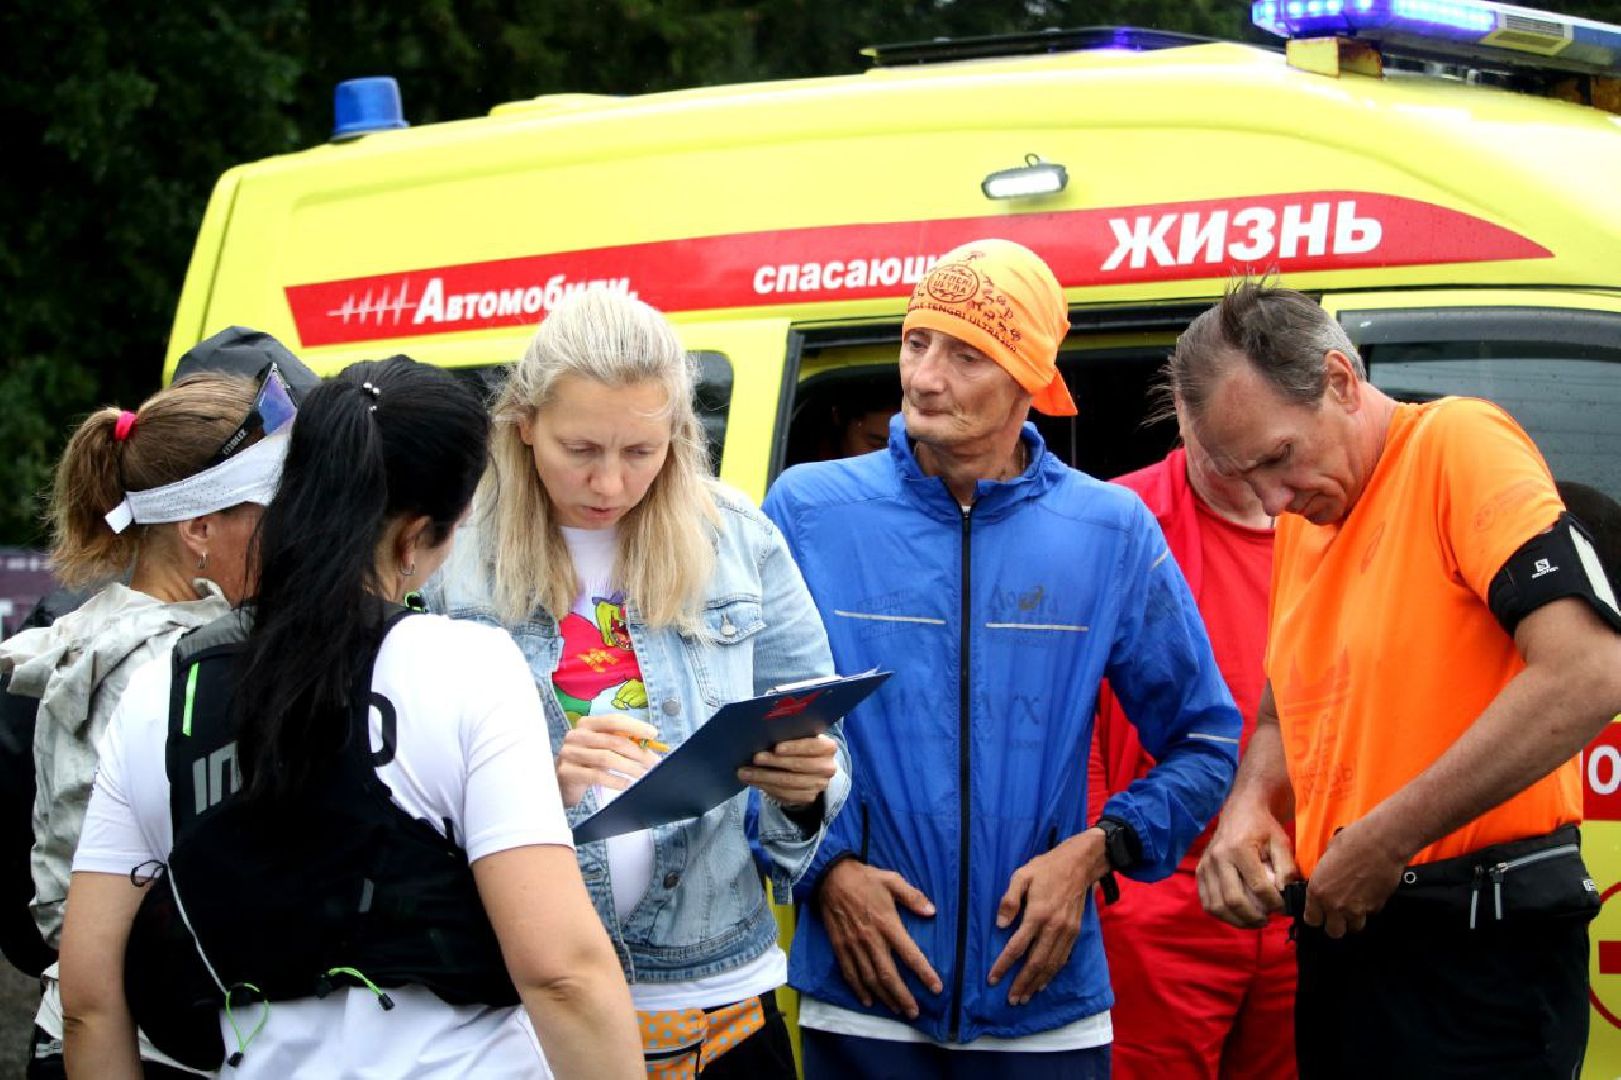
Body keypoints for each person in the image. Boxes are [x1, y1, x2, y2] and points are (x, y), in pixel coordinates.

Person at [55, 356, 641, 1079]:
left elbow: (88, 1001)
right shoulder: (466, 666)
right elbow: (562, 974)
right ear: (415, 536)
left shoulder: (162, 693)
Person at [762, 237, 1242, 1078]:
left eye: (966, 355)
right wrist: (825, 873)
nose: (924, 378)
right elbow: (734, 728)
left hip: (1042, 1004)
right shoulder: (808, 509)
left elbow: (1205, 742)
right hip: (866, 993)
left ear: (1029, 377)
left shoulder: (1107, 529)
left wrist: (1097, 850)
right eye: (916, 342)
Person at [1183, 283, 1621, 1077]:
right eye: (1246, 477)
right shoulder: (1307, 516)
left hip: (1476, 950)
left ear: (1341, 382)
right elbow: (1285, 708)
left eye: (1278, 458)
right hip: (1350, 942)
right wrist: (1249, 806)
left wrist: (1385, 838)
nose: (1271, 500)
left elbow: (1589, 669)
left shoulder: (1454, 444)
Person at [432, 288, 850, 1078]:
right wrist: (539, 785)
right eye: (581, 449)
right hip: (525, 1002)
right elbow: (402, 786)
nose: (610, 483)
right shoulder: (449, 552)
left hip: (718, 995)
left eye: (640, 452)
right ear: (523, 423)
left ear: (677, 434)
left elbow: (816, 726)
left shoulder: (735, 535)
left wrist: (804, 786)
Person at [0, 366, 289, 1078]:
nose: (297, 530)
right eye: (276, 508)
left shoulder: (141, 633)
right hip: (137, 1045)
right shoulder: (156, 669)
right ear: (199, 528)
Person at [1087, 405, 1292, 1079]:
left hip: (1312, 893)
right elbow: (1062, 709)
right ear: (1181, 405)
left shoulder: (1339, 513)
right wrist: (1104, 872)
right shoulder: (1116, 518)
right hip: (1156, 893)